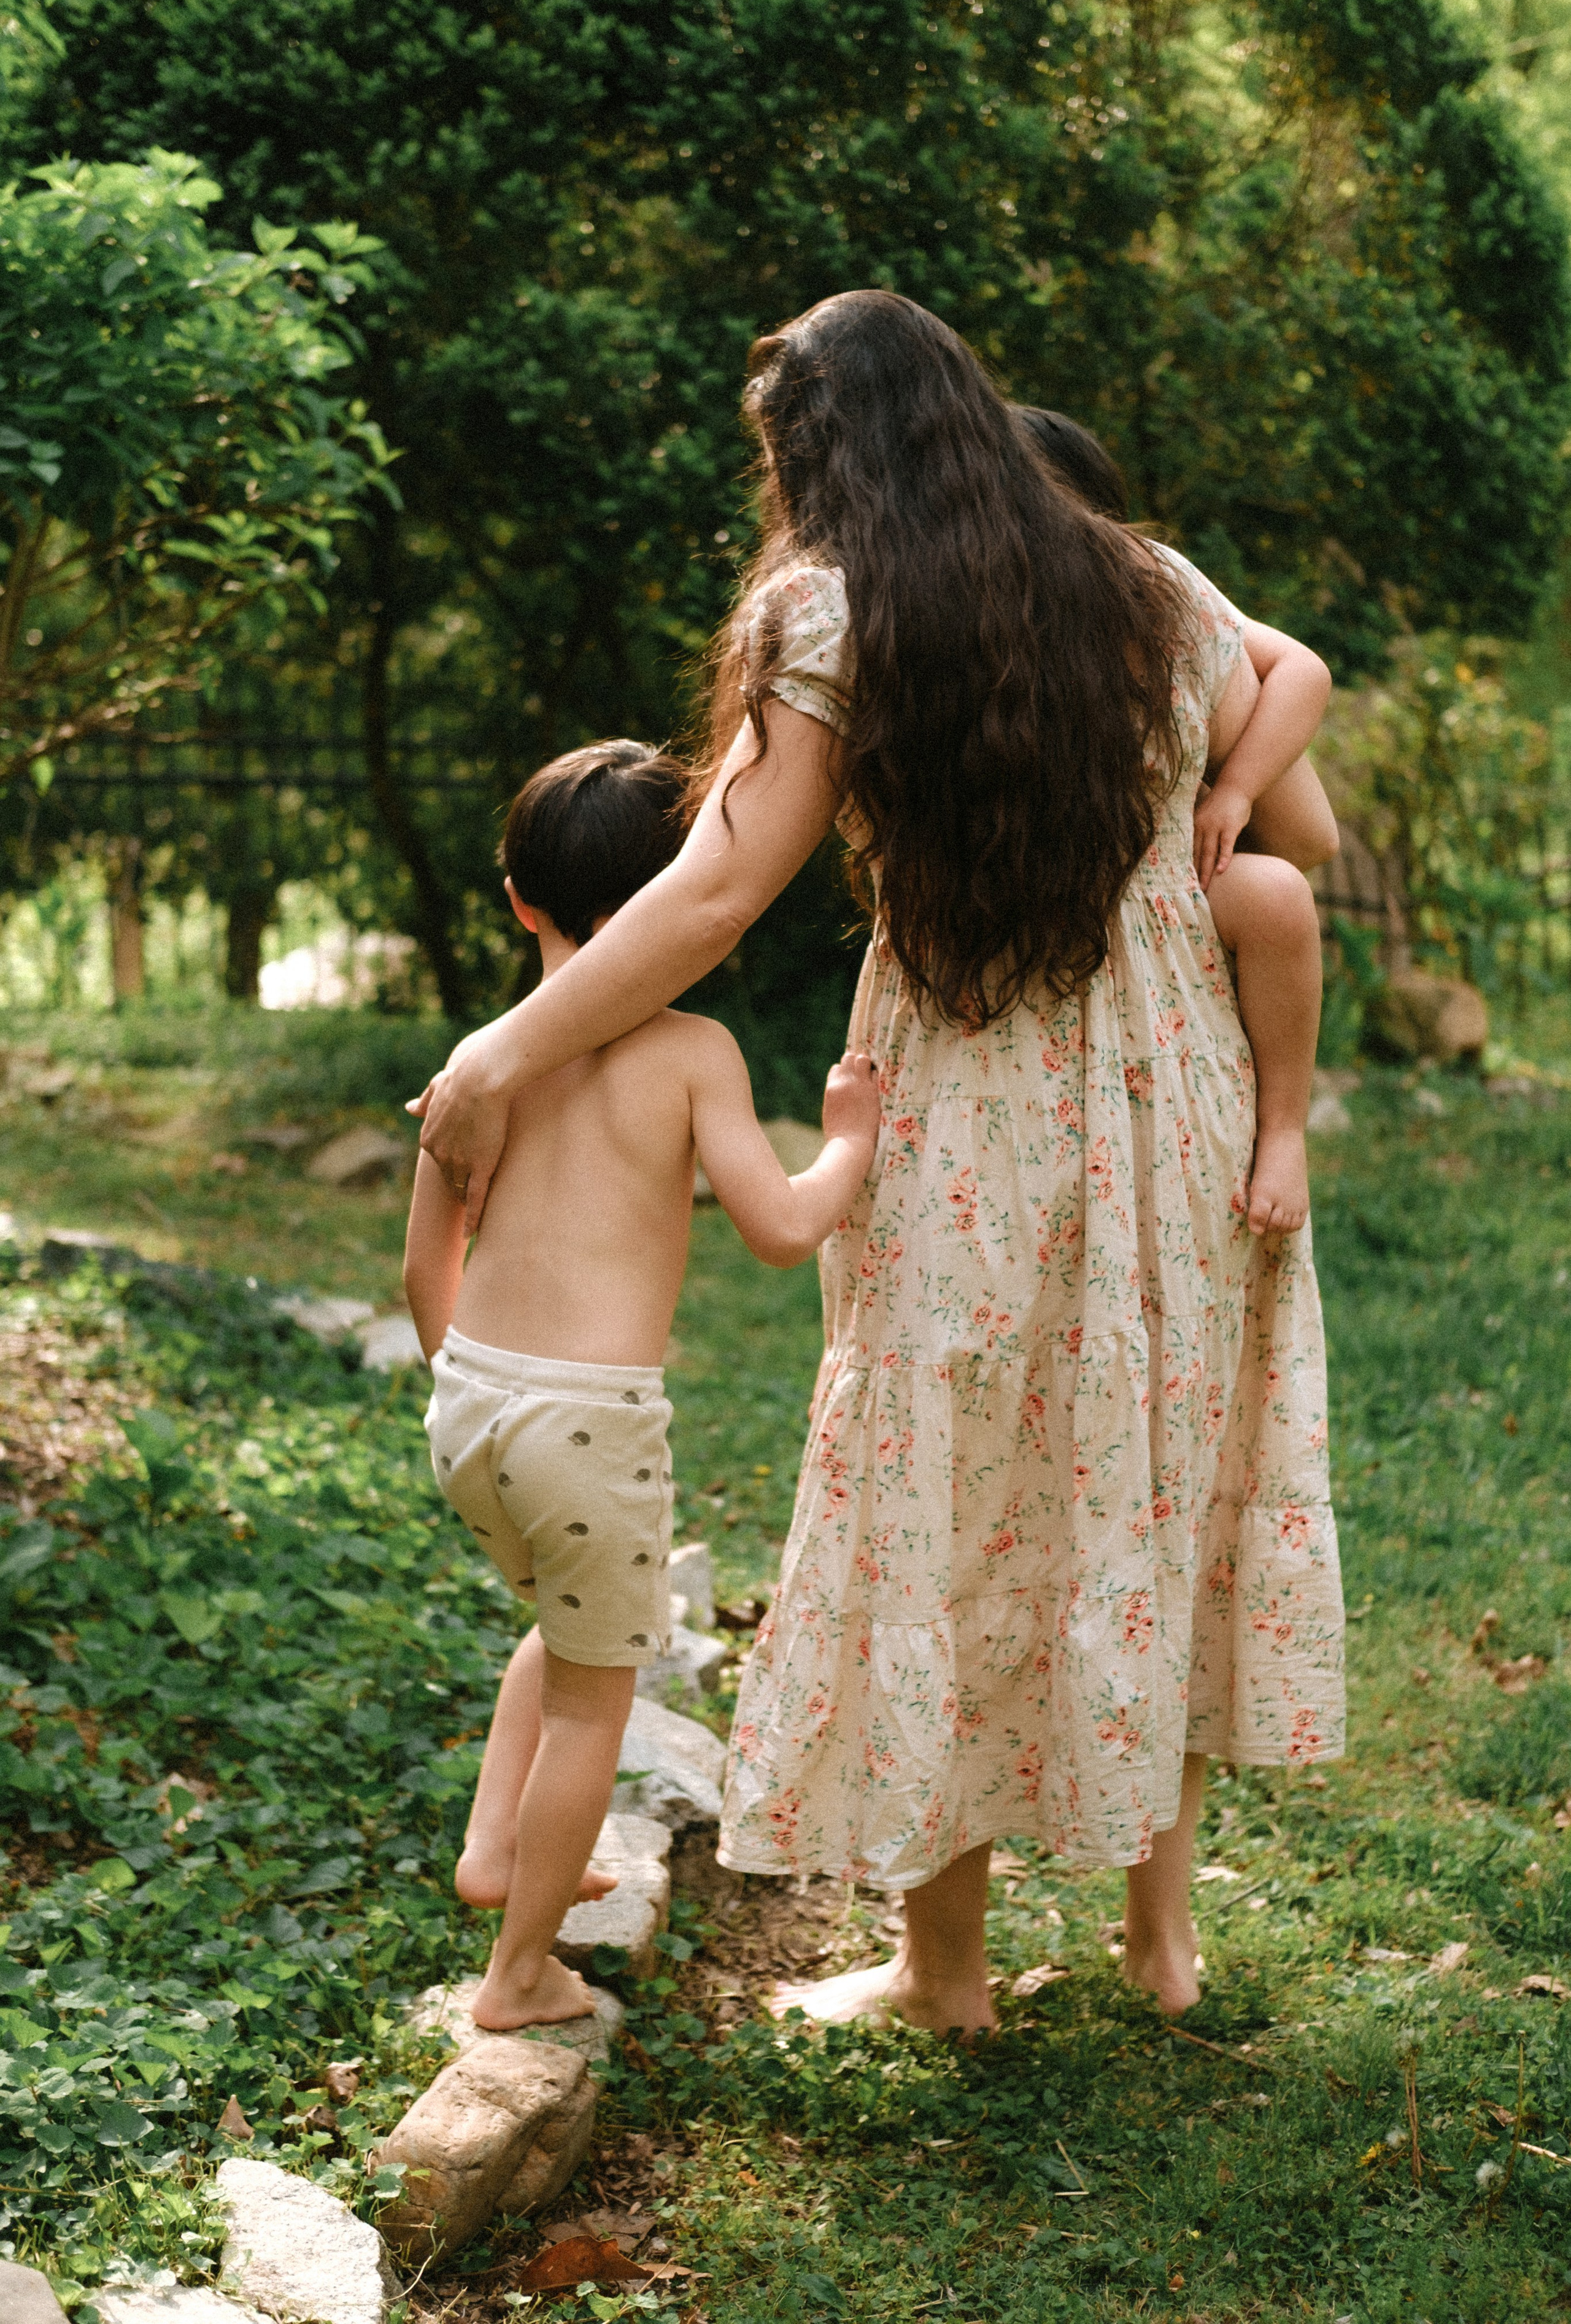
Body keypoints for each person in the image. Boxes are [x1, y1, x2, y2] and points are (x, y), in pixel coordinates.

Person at [410, 292, 1346, 2036]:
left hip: (968, 1094)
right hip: (1171, 1085)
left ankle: (946, 1973)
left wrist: (500, 1049)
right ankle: (1158, 1935)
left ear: (816, 458)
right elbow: (1287, 790)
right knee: (1145, 1467)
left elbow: (709, 889)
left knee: (954, 1486)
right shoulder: (1137, 580)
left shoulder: (836, 606)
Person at [402, 738, 881, 2029]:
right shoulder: (691, 1055)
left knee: (560, 1641)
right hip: (588, 1429)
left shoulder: (480, 1060)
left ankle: (495, 1851)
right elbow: (781, 1228)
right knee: (594, 1702)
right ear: (685, 902)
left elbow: (421, 1269)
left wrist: (470, 1391)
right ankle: (516, 1976)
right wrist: (847, 1146)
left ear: (519, 899)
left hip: (472, 1411)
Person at [1017, 406, 1334, 1236]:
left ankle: (1287, 1129)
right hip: (1086, 901)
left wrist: (1234, 789)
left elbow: (1301, 669)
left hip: (1180, 859)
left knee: (1275, 892)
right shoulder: (991, 622)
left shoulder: (1152, 587)